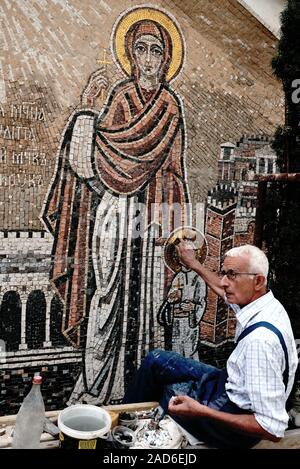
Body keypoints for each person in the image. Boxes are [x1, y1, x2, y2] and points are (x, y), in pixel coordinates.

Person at [41, 8, 190, 404]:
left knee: (149, 305)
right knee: (107, 297)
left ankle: (141, 389)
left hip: (150, 220)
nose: (148, 58)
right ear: (130, 54)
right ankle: (99, 386)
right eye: (140, 49)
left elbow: (174, 172)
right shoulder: (121, 98)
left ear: (165, 57)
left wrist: (173, 233)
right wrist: (87, 110)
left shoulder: (170, 109)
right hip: (115, 212)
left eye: (156, 50)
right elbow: (90, 163)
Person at [123, 243, 298, 448]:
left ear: (258, 281)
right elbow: (222, 290)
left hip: (235, 425)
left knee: (170, 395)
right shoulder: (264, 303)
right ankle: (123, 421)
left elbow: (272, 428)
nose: (224, 282)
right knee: (156, 361)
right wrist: (194, 264)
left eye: (231, 275)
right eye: (224, 273)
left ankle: (130, 440)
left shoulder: (259, 342)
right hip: (231, 383)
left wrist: (200, 411)